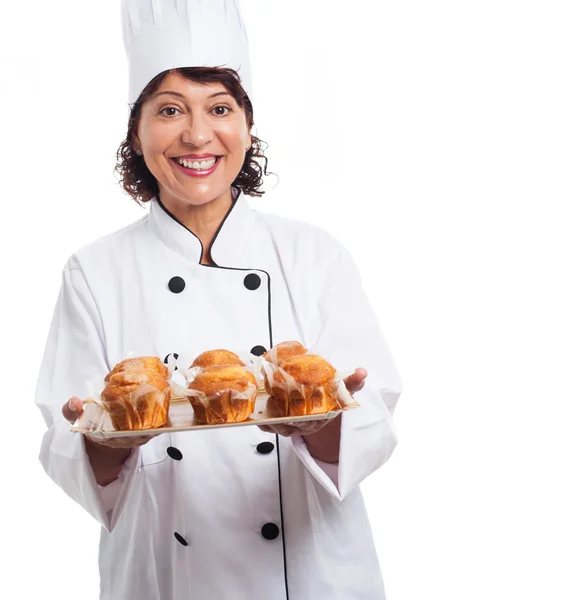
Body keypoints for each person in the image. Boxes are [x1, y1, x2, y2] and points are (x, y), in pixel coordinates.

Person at [35, 1, 402, 599]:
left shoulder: (314, 256)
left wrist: (321, 422)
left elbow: (375, 425)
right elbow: (65, 443)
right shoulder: (93, 272)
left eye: (220, 108)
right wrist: (105, 441)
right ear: (137, 130)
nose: (198, 135)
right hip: (165, 578)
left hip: (310, 577)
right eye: (170, 109)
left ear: (248, 128)